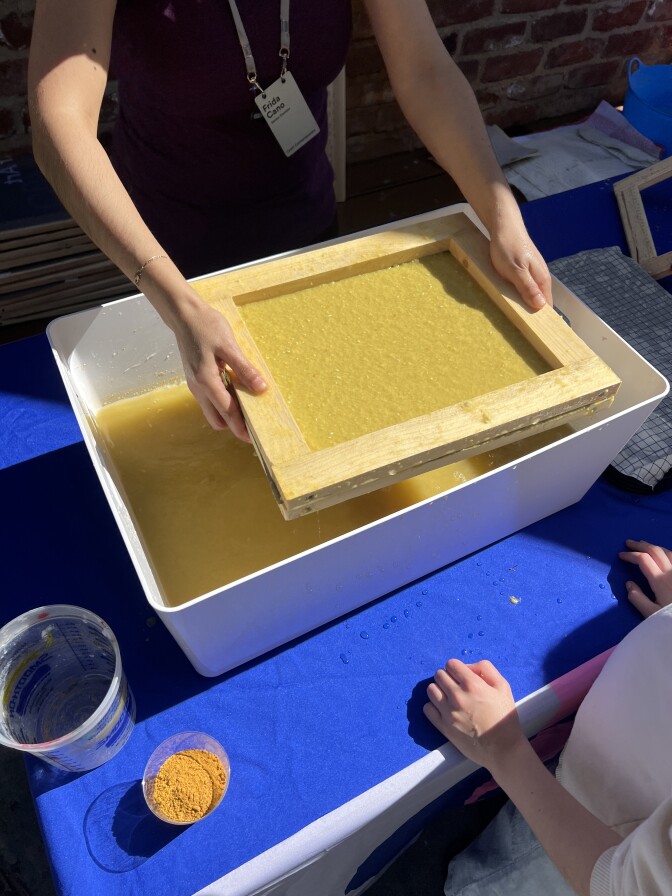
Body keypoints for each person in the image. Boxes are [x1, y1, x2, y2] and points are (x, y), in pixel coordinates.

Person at [28, 0, 552, 442]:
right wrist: (178, 305)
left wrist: (499, 210)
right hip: (165, 261)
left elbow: (424, 70)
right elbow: (59, 121)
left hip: (306, 235)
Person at [424, 538, 672, 896]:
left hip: (587, 838)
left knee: (483, 883)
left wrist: (502, 748)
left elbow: (622, 885)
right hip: (594, 773)